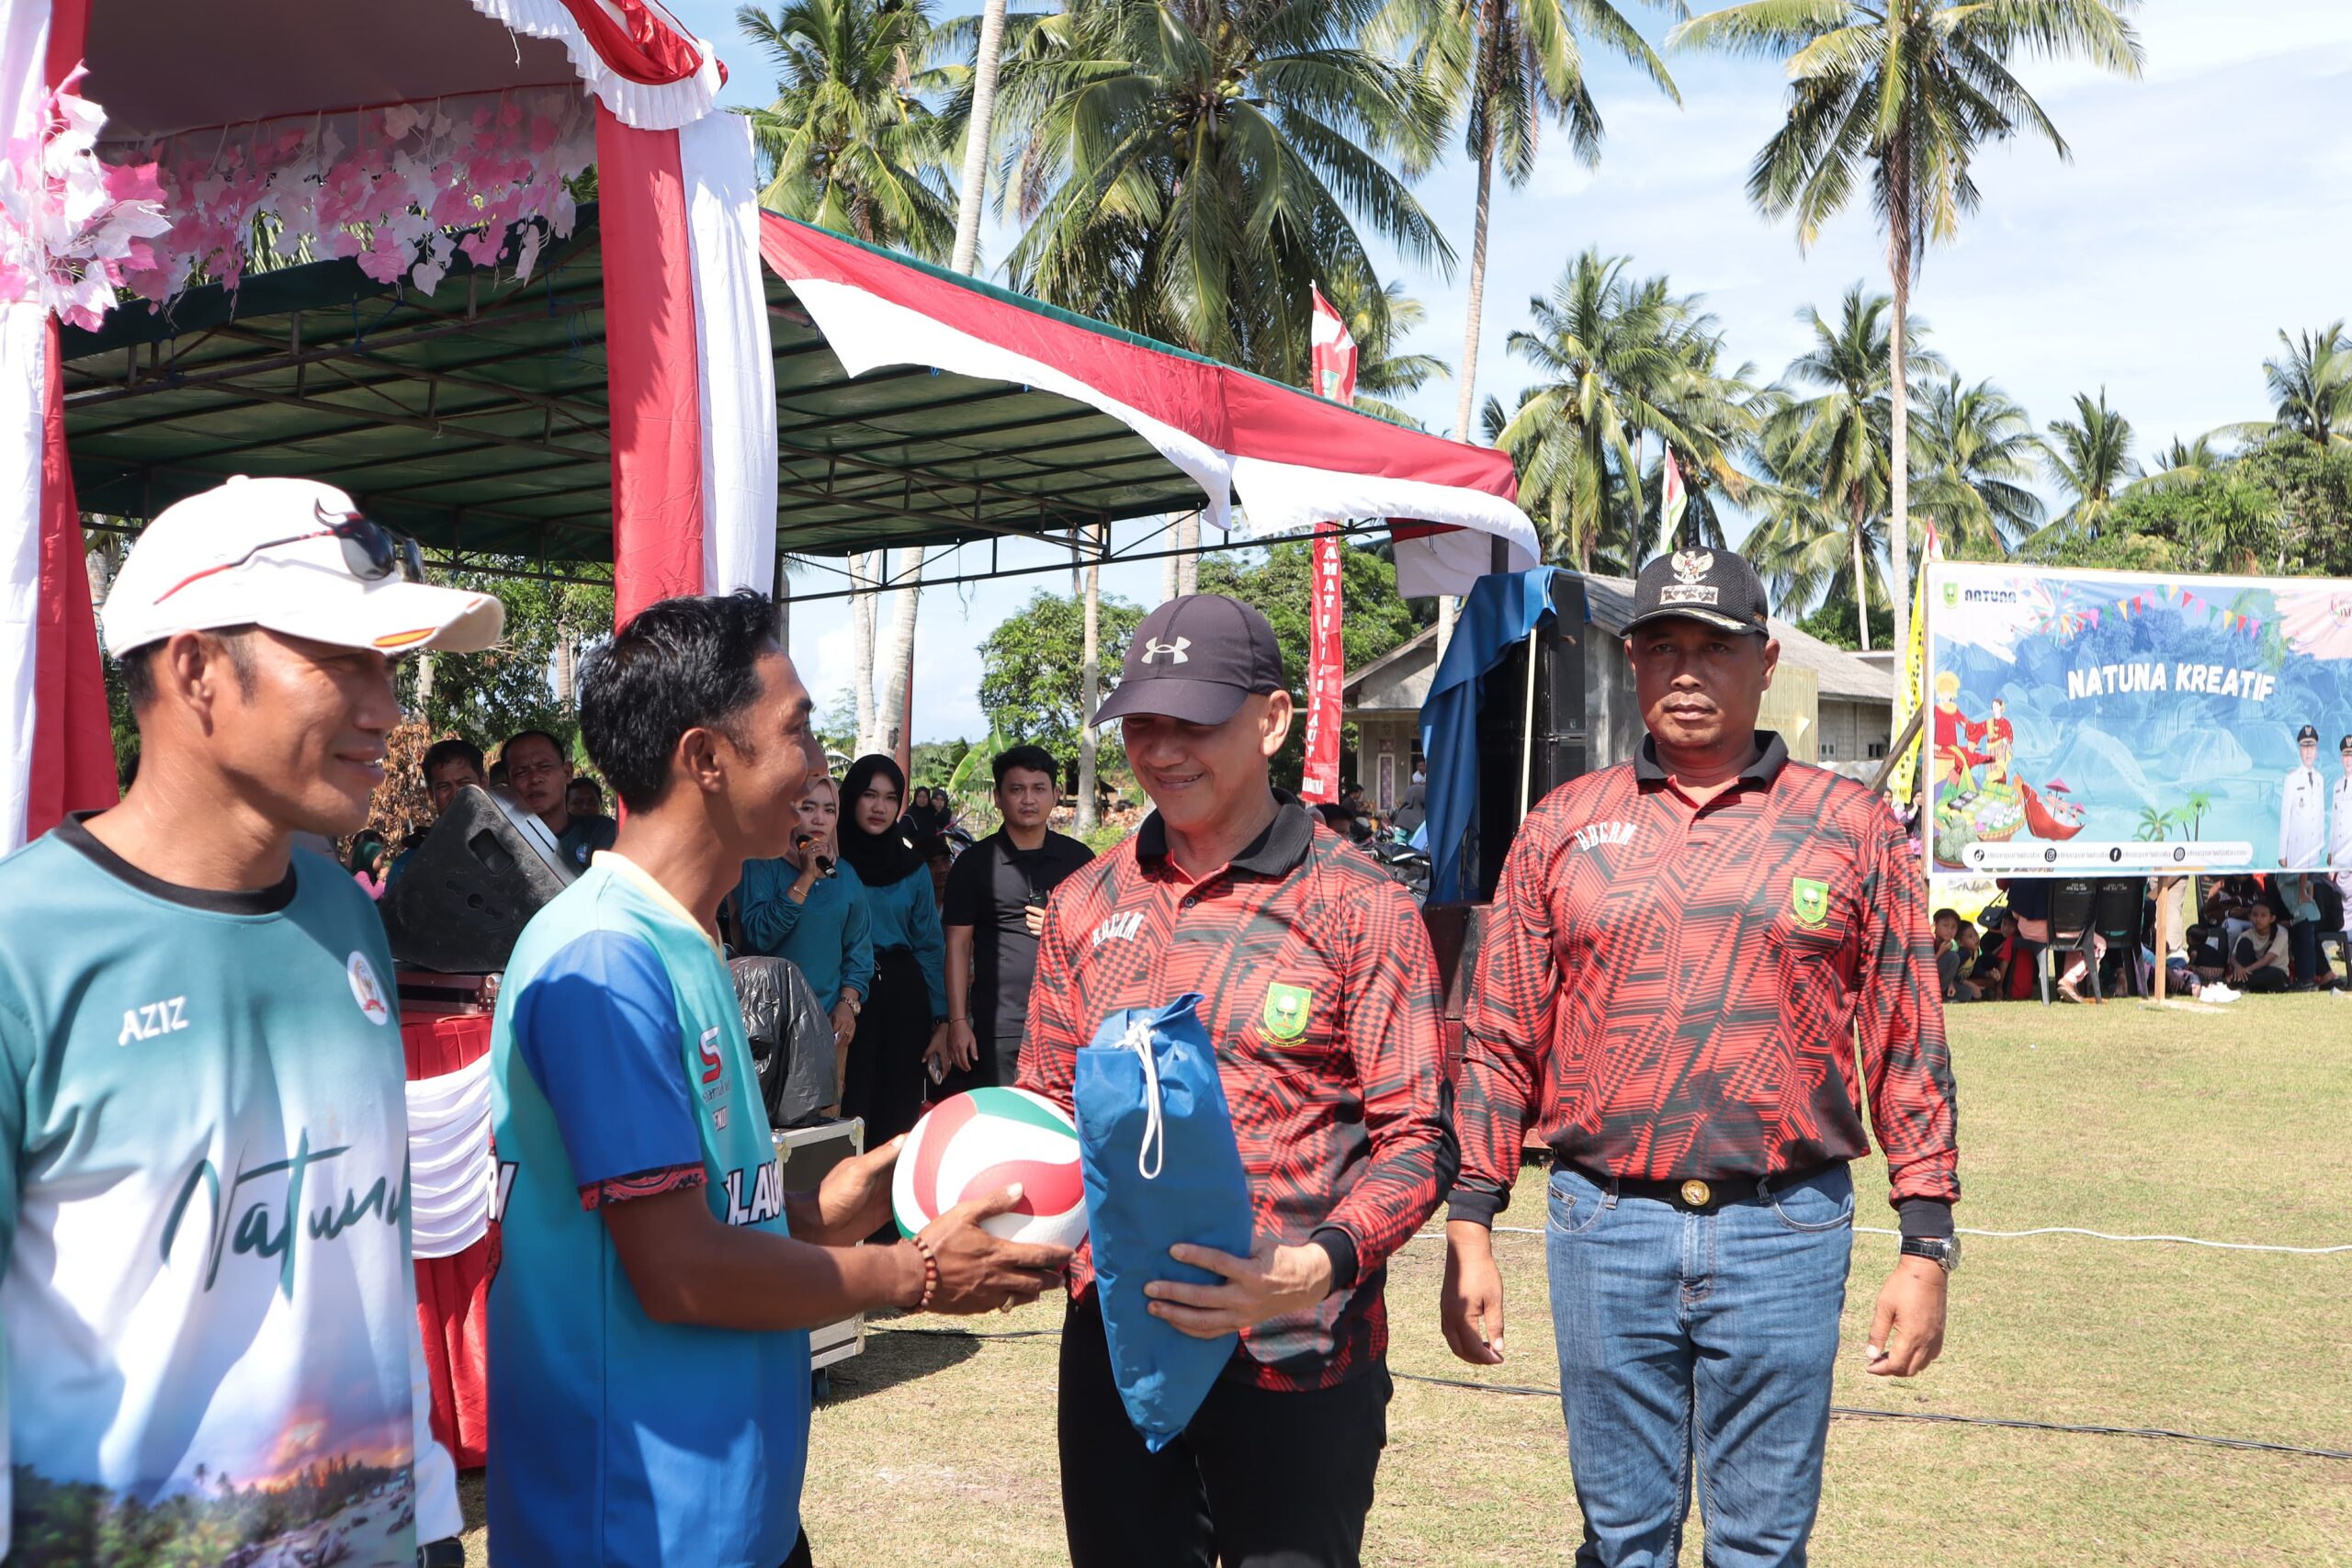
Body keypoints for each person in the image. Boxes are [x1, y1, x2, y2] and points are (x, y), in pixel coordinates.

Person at [486, 591, 1069, 1568]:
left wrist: (882, 1178)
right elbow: (679, 1269)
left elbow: (728, 1220)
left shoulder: (688, 944)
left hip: (736, 1511)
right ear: (705, 758)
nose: (817, 764)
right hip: (632, 1521)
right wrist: (915, 1275)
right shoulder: (603, 960)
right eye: (797, 730)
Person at [0, 475, 486, 1564]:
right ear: (197, 669)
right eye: (344, 659)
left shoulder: (344, 921)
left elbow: (354, 1260)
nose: (387, 708)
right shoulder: (23, 950)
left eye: (390, 666)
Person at [1443, 547, 1960, 1568]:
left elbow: (1906, 1035)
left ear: (1765, 661)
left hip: (1786, 1228)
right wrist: (1470, 1221)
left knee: (1762, 1546)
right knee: (1621, 1539)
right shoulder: (1562, 824)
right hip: (1603, 1225)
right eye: (1662, 646)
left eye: (1714, 648)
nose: (1687, 671)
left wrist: (1925, 1239)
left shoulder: (1848, 826)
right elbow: (1499, 1033)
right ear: (1631, 661)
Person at [1020, 594, 1453, 1568]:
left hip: (1296, 1354)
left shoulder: (1361, 905)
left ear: (1270, 720)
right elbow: (1048, 1111)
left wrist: (1321, 1263)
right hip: (1120, 1355)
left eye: (1195, 724)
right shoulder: (1084, 904)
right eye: (1142, 725)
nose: (1162, 751)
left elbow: (1420, 1137)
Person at [931, 745, 1093, 1097]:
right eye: (1016, 789)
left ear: (1055, 795)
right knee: (1008, 1127)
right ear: (998, 797)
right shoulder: (975, 864)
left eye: (1039, 788)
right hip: (1000, 1027)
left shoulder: (1080, 860)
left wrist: (1060, 926)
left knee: (1063, 1130)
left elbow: (1101, 940)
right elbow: (958, 947)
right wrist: (958, 1022)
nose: (1028, 799)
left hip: (1069, 1023)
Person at [736, 774, 874, 1111]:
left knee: (823, 1133)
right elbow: (759, 934)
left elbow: (859, 949)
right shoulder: (761, 865)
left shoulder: (847, 877)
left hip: (828, 1024)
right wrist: (806, 878)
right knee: (771, 1132)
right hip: (766, 1027)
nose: (818, 819)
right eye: (808, 807)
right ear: (788, 812)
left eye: (828, 810)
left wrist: (849, 1002)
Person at [832, 755, 948, 1147]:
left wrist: (943, 1020)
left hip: (901, 996)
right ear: (851, 799)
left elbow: (930, 947)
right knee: (843, 1108)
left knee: (896, 1117)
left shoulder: (912, 868)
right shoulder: (827, 862)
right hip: (842, 996)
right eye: (869, 795)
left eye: (890, 797)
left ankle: (887, 1205)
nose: (879, 807)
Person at [503, 728, 617, 871]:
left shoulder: (600, 832)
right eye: (521, 772)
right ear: (508, 785)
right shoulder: (499, 844)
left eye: (544, 767)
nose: (534, 778)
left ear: (567, 772)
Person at [387, 735, 488, 887]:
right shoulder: (406, 868)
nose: (456, 794)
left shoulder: (517, 844)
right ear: (430, 794)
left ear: (484, 783)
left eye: (464, 783)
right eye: (444, 787)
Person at [2280, 723, 2324, 870]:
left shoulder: (2320, 779)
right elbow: (2285, 817)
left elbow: (2320, 815)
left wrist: (2321, 845)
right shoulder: (2291, 779)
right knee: (2292, 890)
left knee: (2311, 888)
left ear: (2316, 751)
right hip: (2296, 850)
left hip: (2314, 850)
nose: (2308, 752)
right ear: (2300, 750)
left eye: (2312, 747)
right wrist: (2282, 853)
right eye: (2305, 747)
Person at [2226, 900, 2292, 993]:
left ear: (2272, 918)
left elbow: (2266, 960)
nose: (2258, 919)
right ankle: (2244, 982)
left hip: (2274, 972)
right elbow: (2232, 957)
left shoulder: (2281, 934)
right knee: (2244, 943)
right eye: (2255, 915)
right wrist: (2238, 967)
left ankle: (2241, 982)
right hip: (2252, 972)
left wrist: (2244, 971)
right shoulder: (2246, 934)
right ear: (2249, 917)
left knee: (2274, 974)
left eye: (2263, 916)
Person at [2333, 735, 2352, 910]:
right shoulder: (2337, 784)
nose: (2349, 759)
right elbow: (2335, 822)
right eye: (2346, 754)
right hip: (2339, 858)